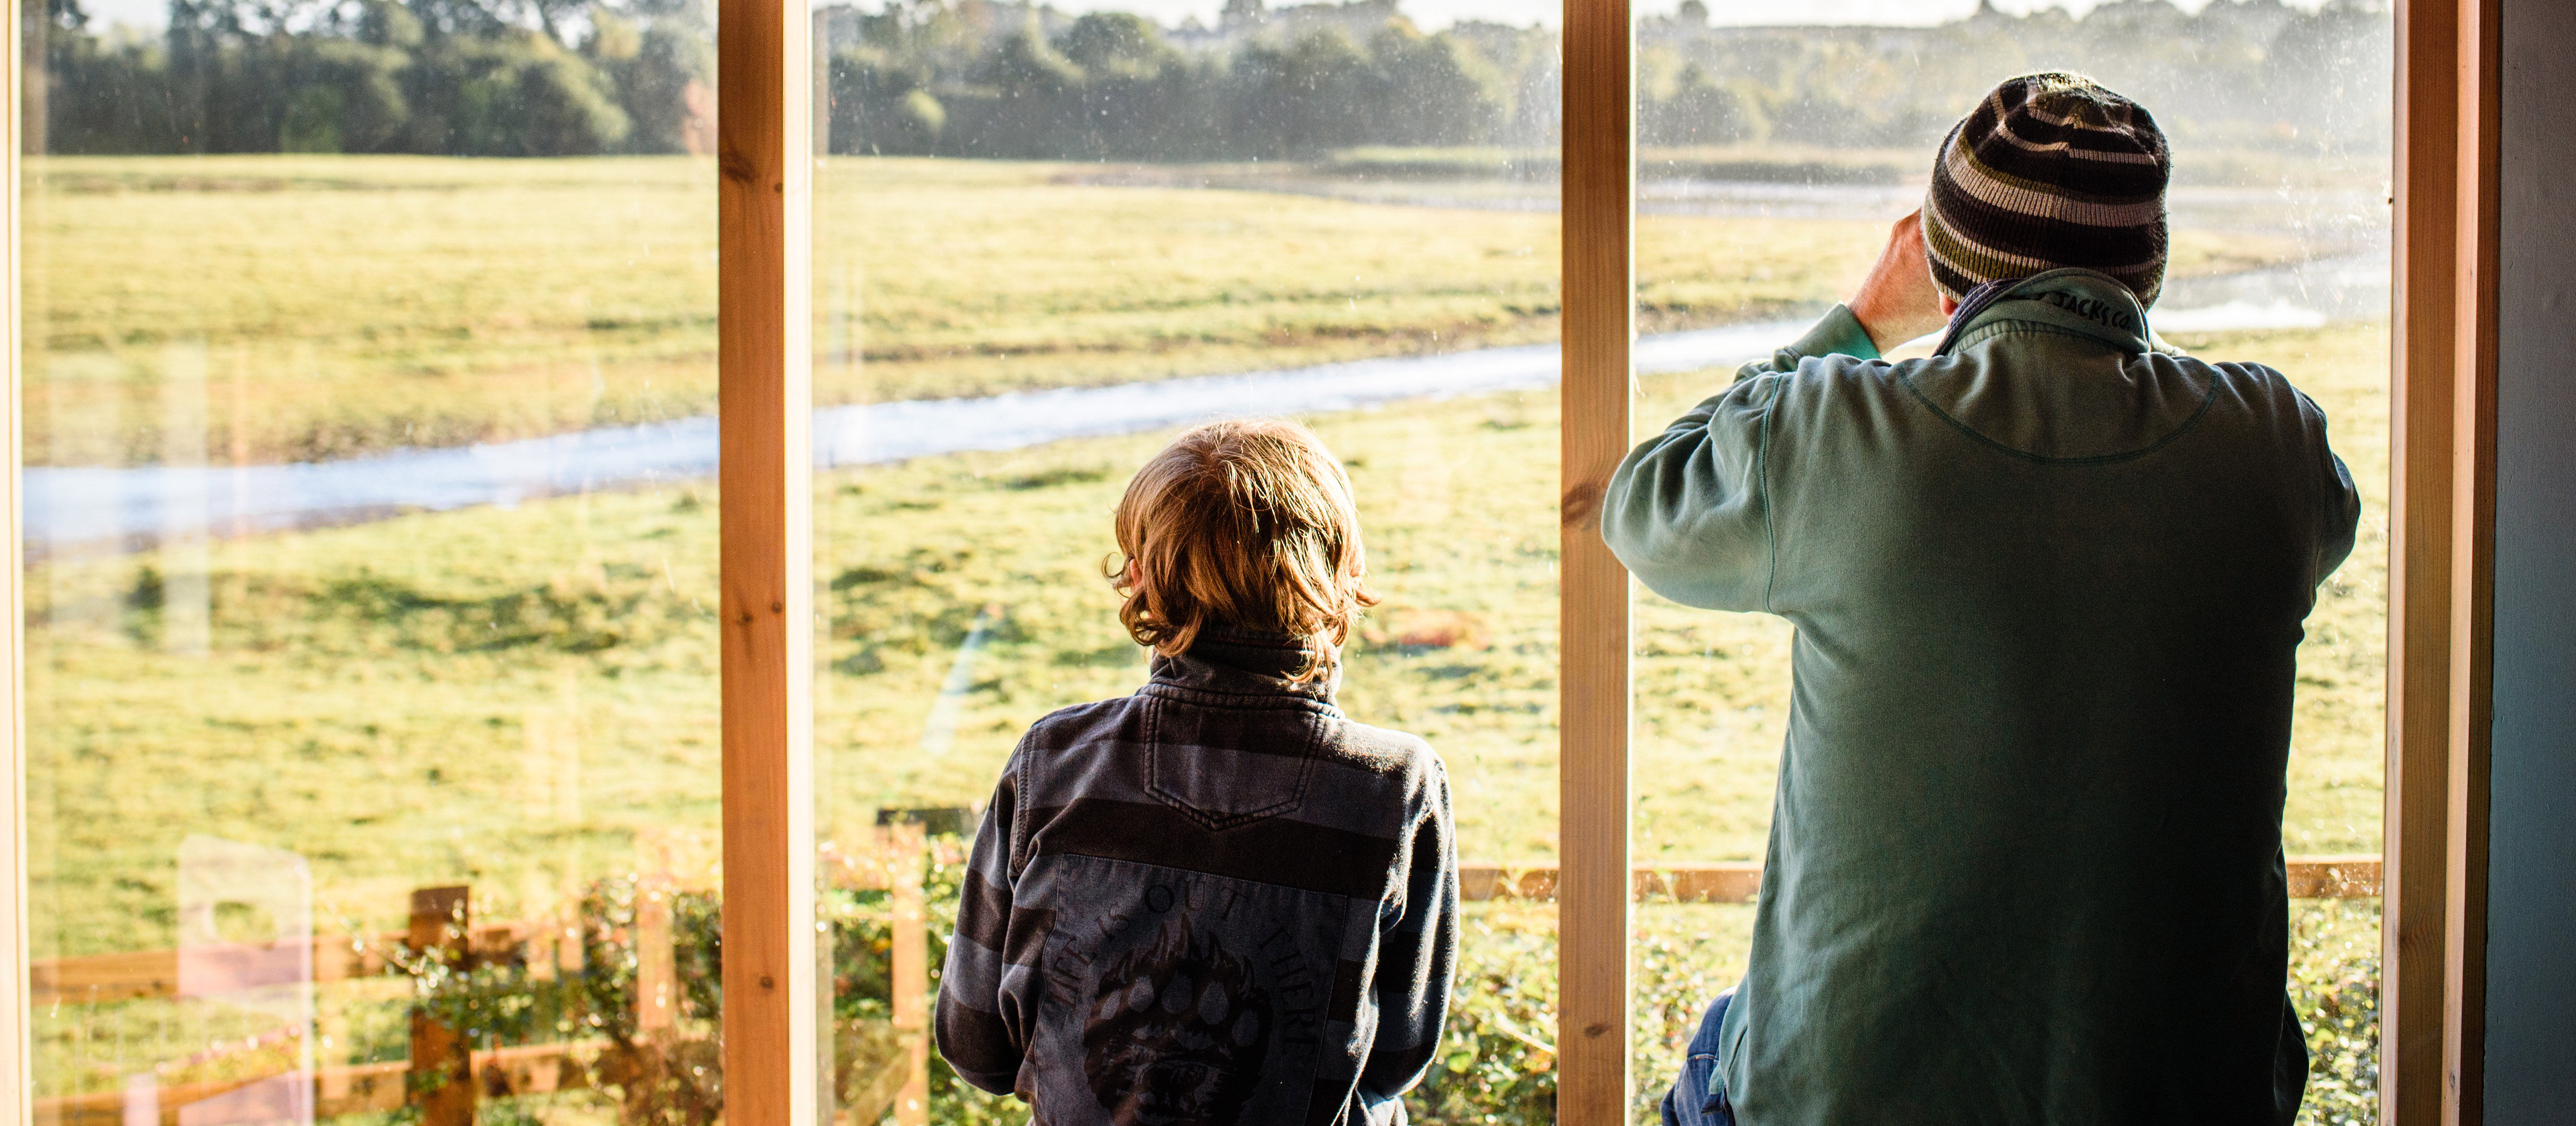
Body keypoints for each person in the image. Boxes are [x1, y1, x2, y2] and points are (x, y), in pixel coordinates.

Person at [1605, 72, 2360, 1126]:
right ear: (2146, 270)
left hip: (1853, 1095)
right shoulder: (2272, 439)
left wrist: (1865, 317)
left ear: (1943, 260)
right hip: (2185, 1094)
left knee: (1722, 1042)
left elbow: (1644, 505)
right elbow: (2314, 528)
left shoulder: (1841, 431)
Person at [935, 417, 1460, 1126]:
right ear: (1344, 571)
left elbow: (977, 1046)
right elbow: (1396, 1058)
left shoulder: (1052, 762)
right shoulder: (1395, 787)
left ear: (1145, 581)